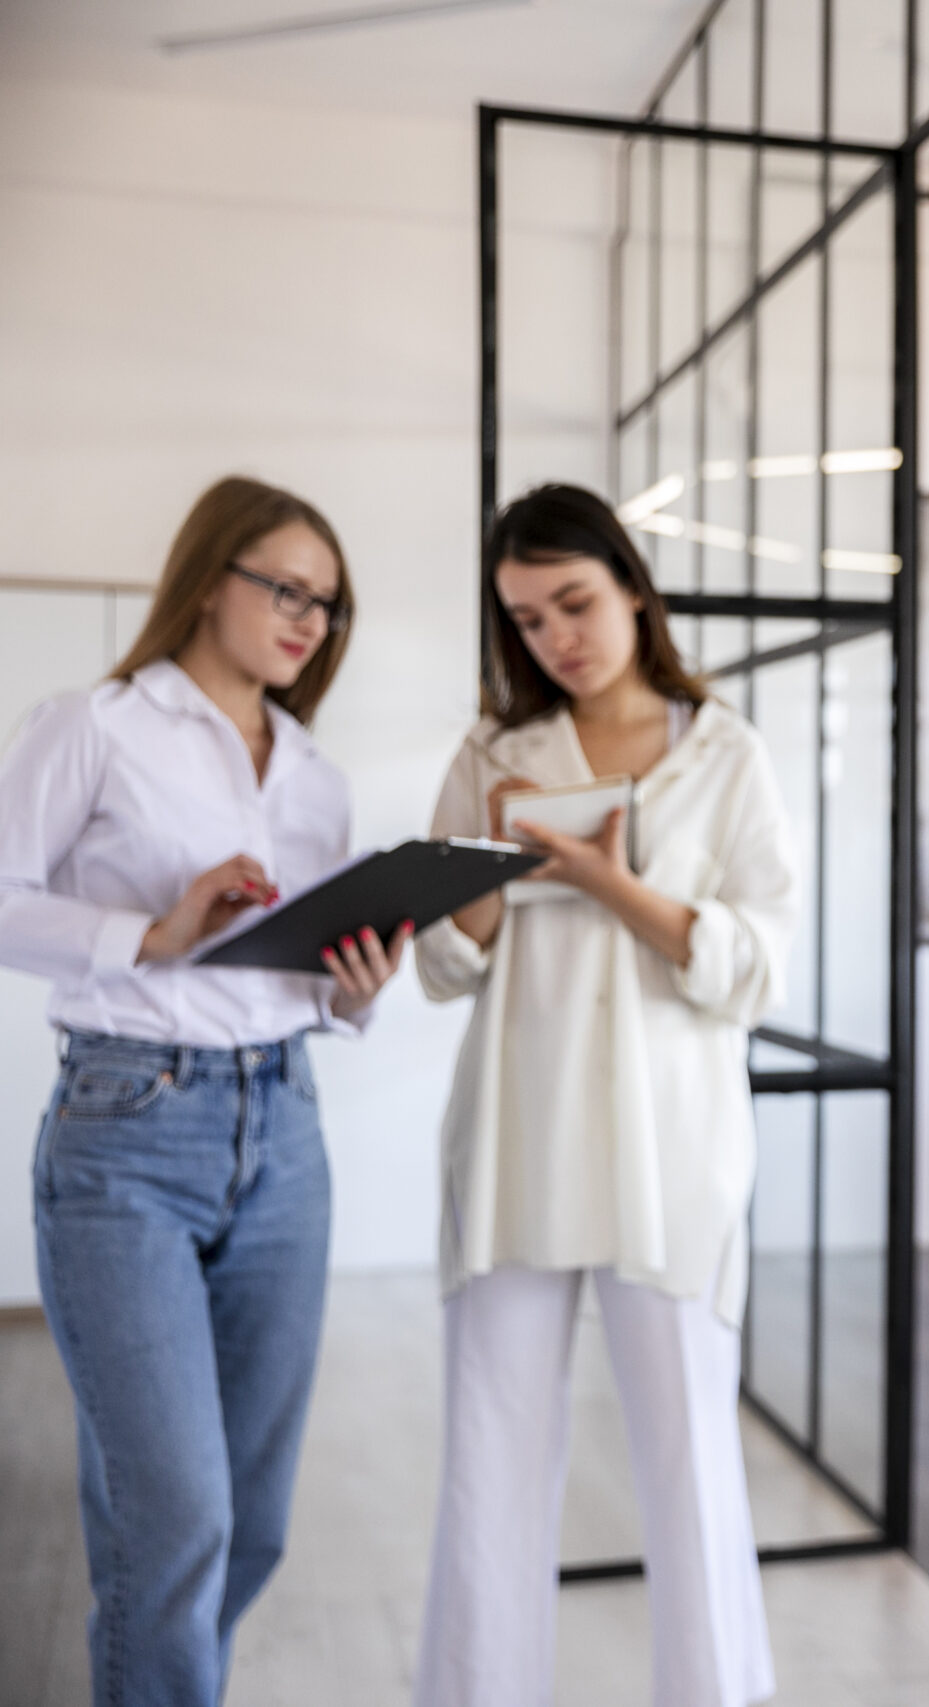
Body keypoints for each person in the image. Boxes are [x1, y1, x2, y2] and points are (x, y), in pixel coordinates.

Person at [0, 476, 405, 1706]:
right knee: (173, 1518)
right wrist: (153, 934)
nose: (308, 620)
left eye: (328, 605)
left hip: (285, 1130)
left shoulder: (314, 776)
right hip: (129, 1135)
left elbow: (305, 976)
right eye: (286, 587)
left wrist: (356, 984)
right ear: (208, 575)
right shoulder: (97, 725)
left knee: (253, 1519)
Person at [409, 485, 793, 1707]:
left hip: (665, 1156)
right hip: (518, 1143)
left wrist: (605, 880)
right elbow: (440, 959)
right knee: (490, 1464)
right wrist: (489, 868)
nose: (556, 637)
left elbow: (758, 966)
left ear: (632, 586)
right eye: (526, 621)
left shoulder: (727, 754)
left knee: (689, 1470)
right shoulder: (491, 758)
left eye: (574, 602)